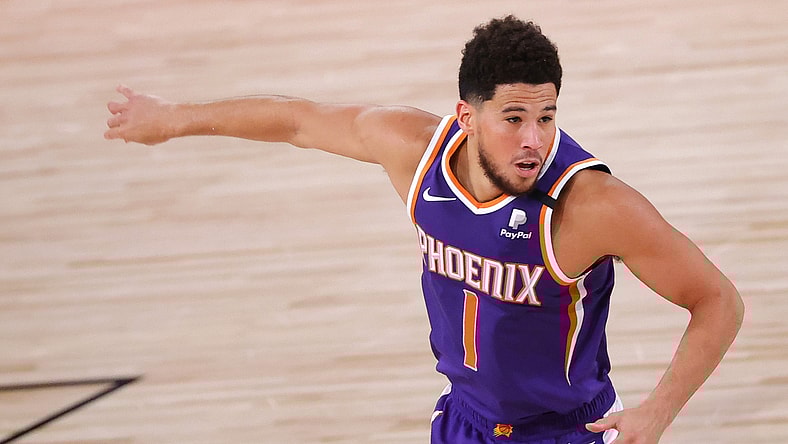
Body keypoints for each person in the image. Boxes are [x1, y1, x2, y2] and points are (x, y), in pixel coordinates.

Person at [104, 16, 743, 444]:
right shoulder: (414, 150)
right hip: (463, 422)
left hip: (563, 429)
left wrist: (658, 410)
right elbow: (295, 120)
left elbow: (717, 300)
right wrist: (173, 119)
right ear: (466, 115)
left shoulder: (591, 205)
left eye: (546, 117)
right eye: (512, 117)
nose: (533, 139)